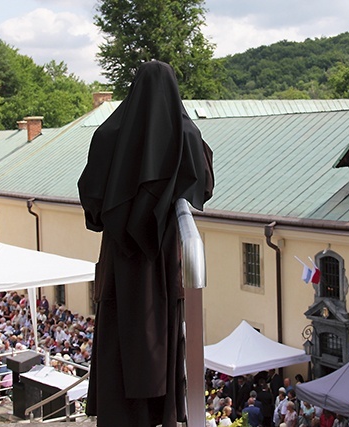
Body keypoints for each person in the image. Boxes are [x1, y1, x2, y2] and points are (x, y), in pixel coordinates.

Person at [78, 60, 214, 427]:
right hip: (163, 257)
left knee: (120, 335)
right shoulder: (187, 135)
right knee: (160, 333)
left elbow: (91, 204)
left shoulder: (108, 136)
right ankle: (162, 415)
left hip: (119, 261)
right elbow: (204, 187)